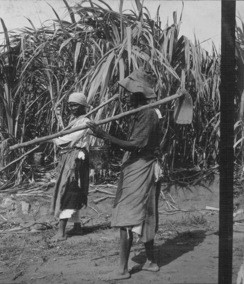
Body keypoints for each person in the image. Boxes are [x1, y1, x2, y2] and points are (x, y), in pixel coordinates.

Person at [87, 68, 163, 280]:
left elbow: (137, 144)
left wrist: (104, 135)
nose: (126, 96)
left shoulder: (148, 113)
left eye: (130, 92)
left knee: (127, 216)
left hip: (141, 166)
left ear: (139, 93)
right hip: (138, 165)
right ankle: (150, 261)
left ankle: (122, 269)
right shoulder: (142, 111)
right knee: (145, 214)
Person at [51, 92, 92, 241]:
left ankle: (61, 232)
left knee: (69, 191)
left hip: (77, 159)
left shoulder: (85, 122)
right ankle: (77, 227)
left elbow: (71, 137)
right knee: (72, 190)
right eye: (70, 105)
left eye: (75, 105)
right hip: (69, 157)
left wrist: (55, 139)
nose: (72, 108)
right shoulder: (74, 120)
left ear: (83, 106)